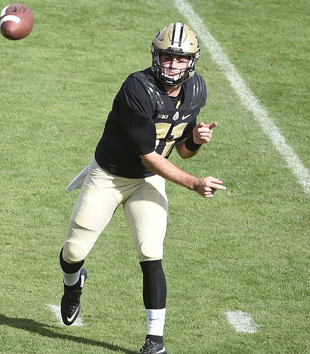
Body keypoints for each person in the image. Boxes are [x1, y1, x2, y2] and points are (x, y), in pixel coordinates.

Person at [59, 22, 226, 354]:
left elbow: (179, 149)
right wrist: (193, 183)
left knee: (151, 252)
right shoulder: (137, 88)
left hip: (147, 182)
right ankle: (73, 284)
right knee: (73, 253)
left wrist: (195, 139)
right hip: (109, 176)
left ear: (192, 61)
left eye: (181, 59)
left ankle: (155, 340)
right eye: (167, 57)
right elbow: (148, 154)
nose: (173, 65)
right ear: (156, 56)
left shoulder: (196, 90)